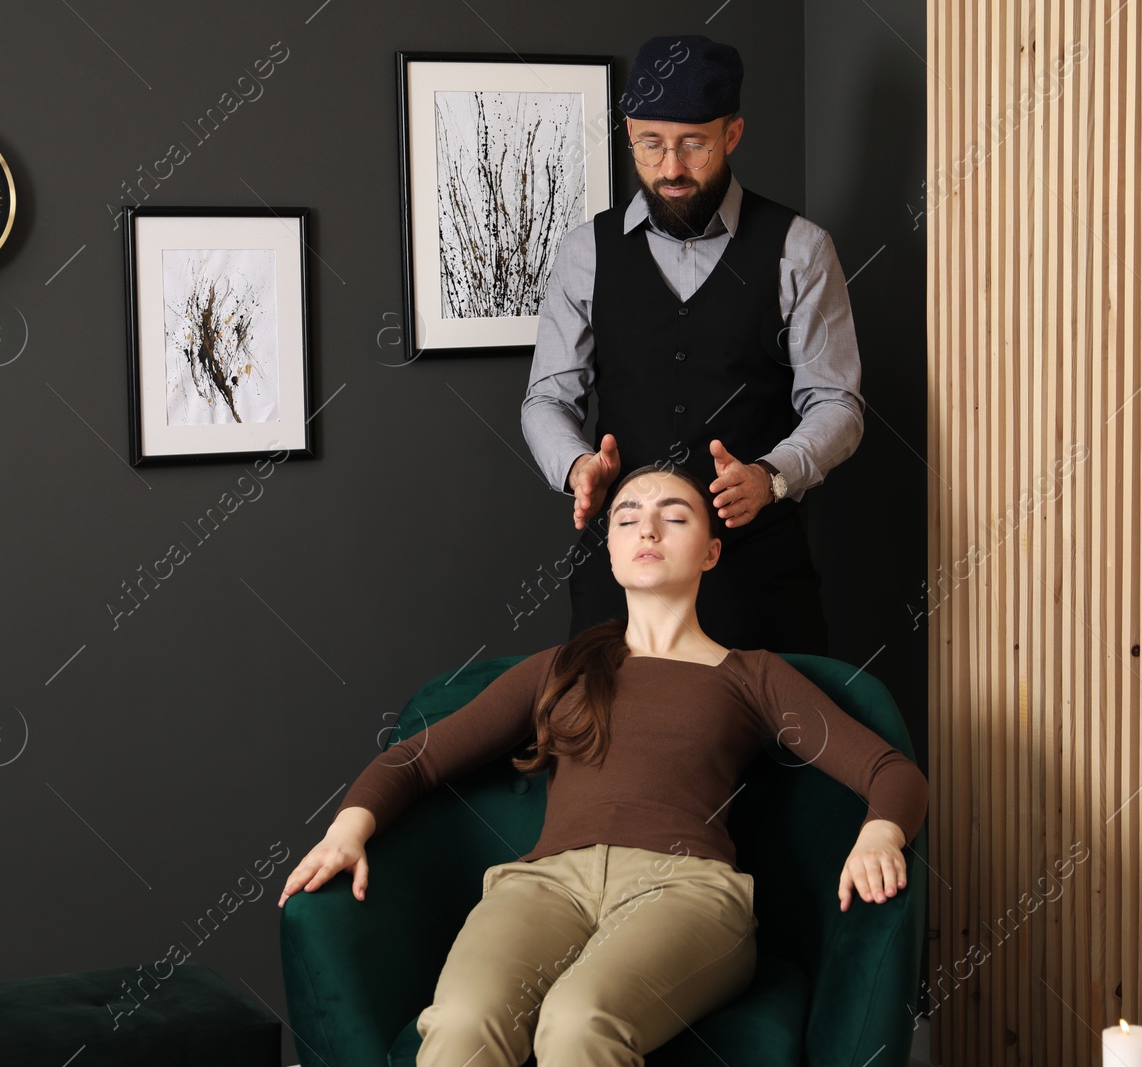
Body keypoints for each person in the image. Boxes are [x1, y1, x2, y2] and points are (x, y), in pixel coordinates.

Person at [278, 464, 928, 1066]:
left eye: (674, 515)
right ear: (611, 551)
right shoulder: (559, 668)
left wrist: (881, 831)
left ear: (710, 550)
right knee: (459, 1022)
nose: (647, 526)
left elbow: (891, 772)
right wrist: (348, 830)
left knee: (578, 1019)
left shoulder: (752, 674)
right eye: (627, 516)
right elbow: (415, 760)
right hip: (543, 886)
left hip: (685, 890)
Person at [520, 33, 867, 656]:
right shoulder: (582, 254)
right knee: (606, 746)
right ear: (629, 134)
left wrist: (772, 476)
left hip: (759, 573)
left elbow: (838, 404)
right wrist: (577, 469)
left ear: (732, 135)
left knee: (775, 749)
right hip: (623, 571)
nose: (671, 168)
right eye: (651, 144)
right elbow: (546, 399)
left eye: (693, 145)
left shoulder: (802, 249)